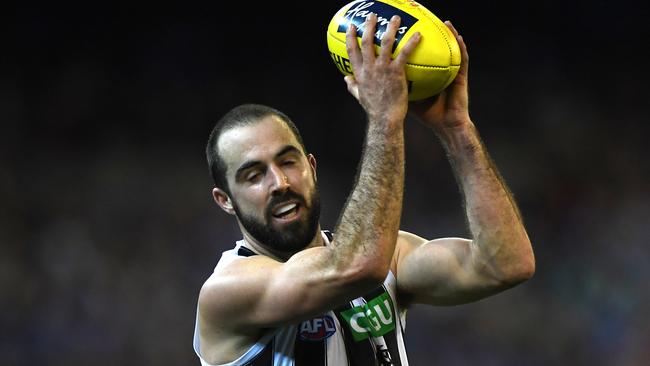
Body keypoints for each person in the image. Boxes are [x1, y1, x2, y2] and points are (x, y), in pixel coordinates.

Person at [193, 14, 535, 366]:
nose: (279, 183)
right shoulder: (227, 291)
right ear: (225, 201)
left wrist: (457, 129)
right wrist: (386, 118)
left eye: (288, 161)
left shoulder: (387, 258)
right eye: (253, 175)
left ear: (311, 167)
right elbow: (355, 268)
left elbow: (507, 264)